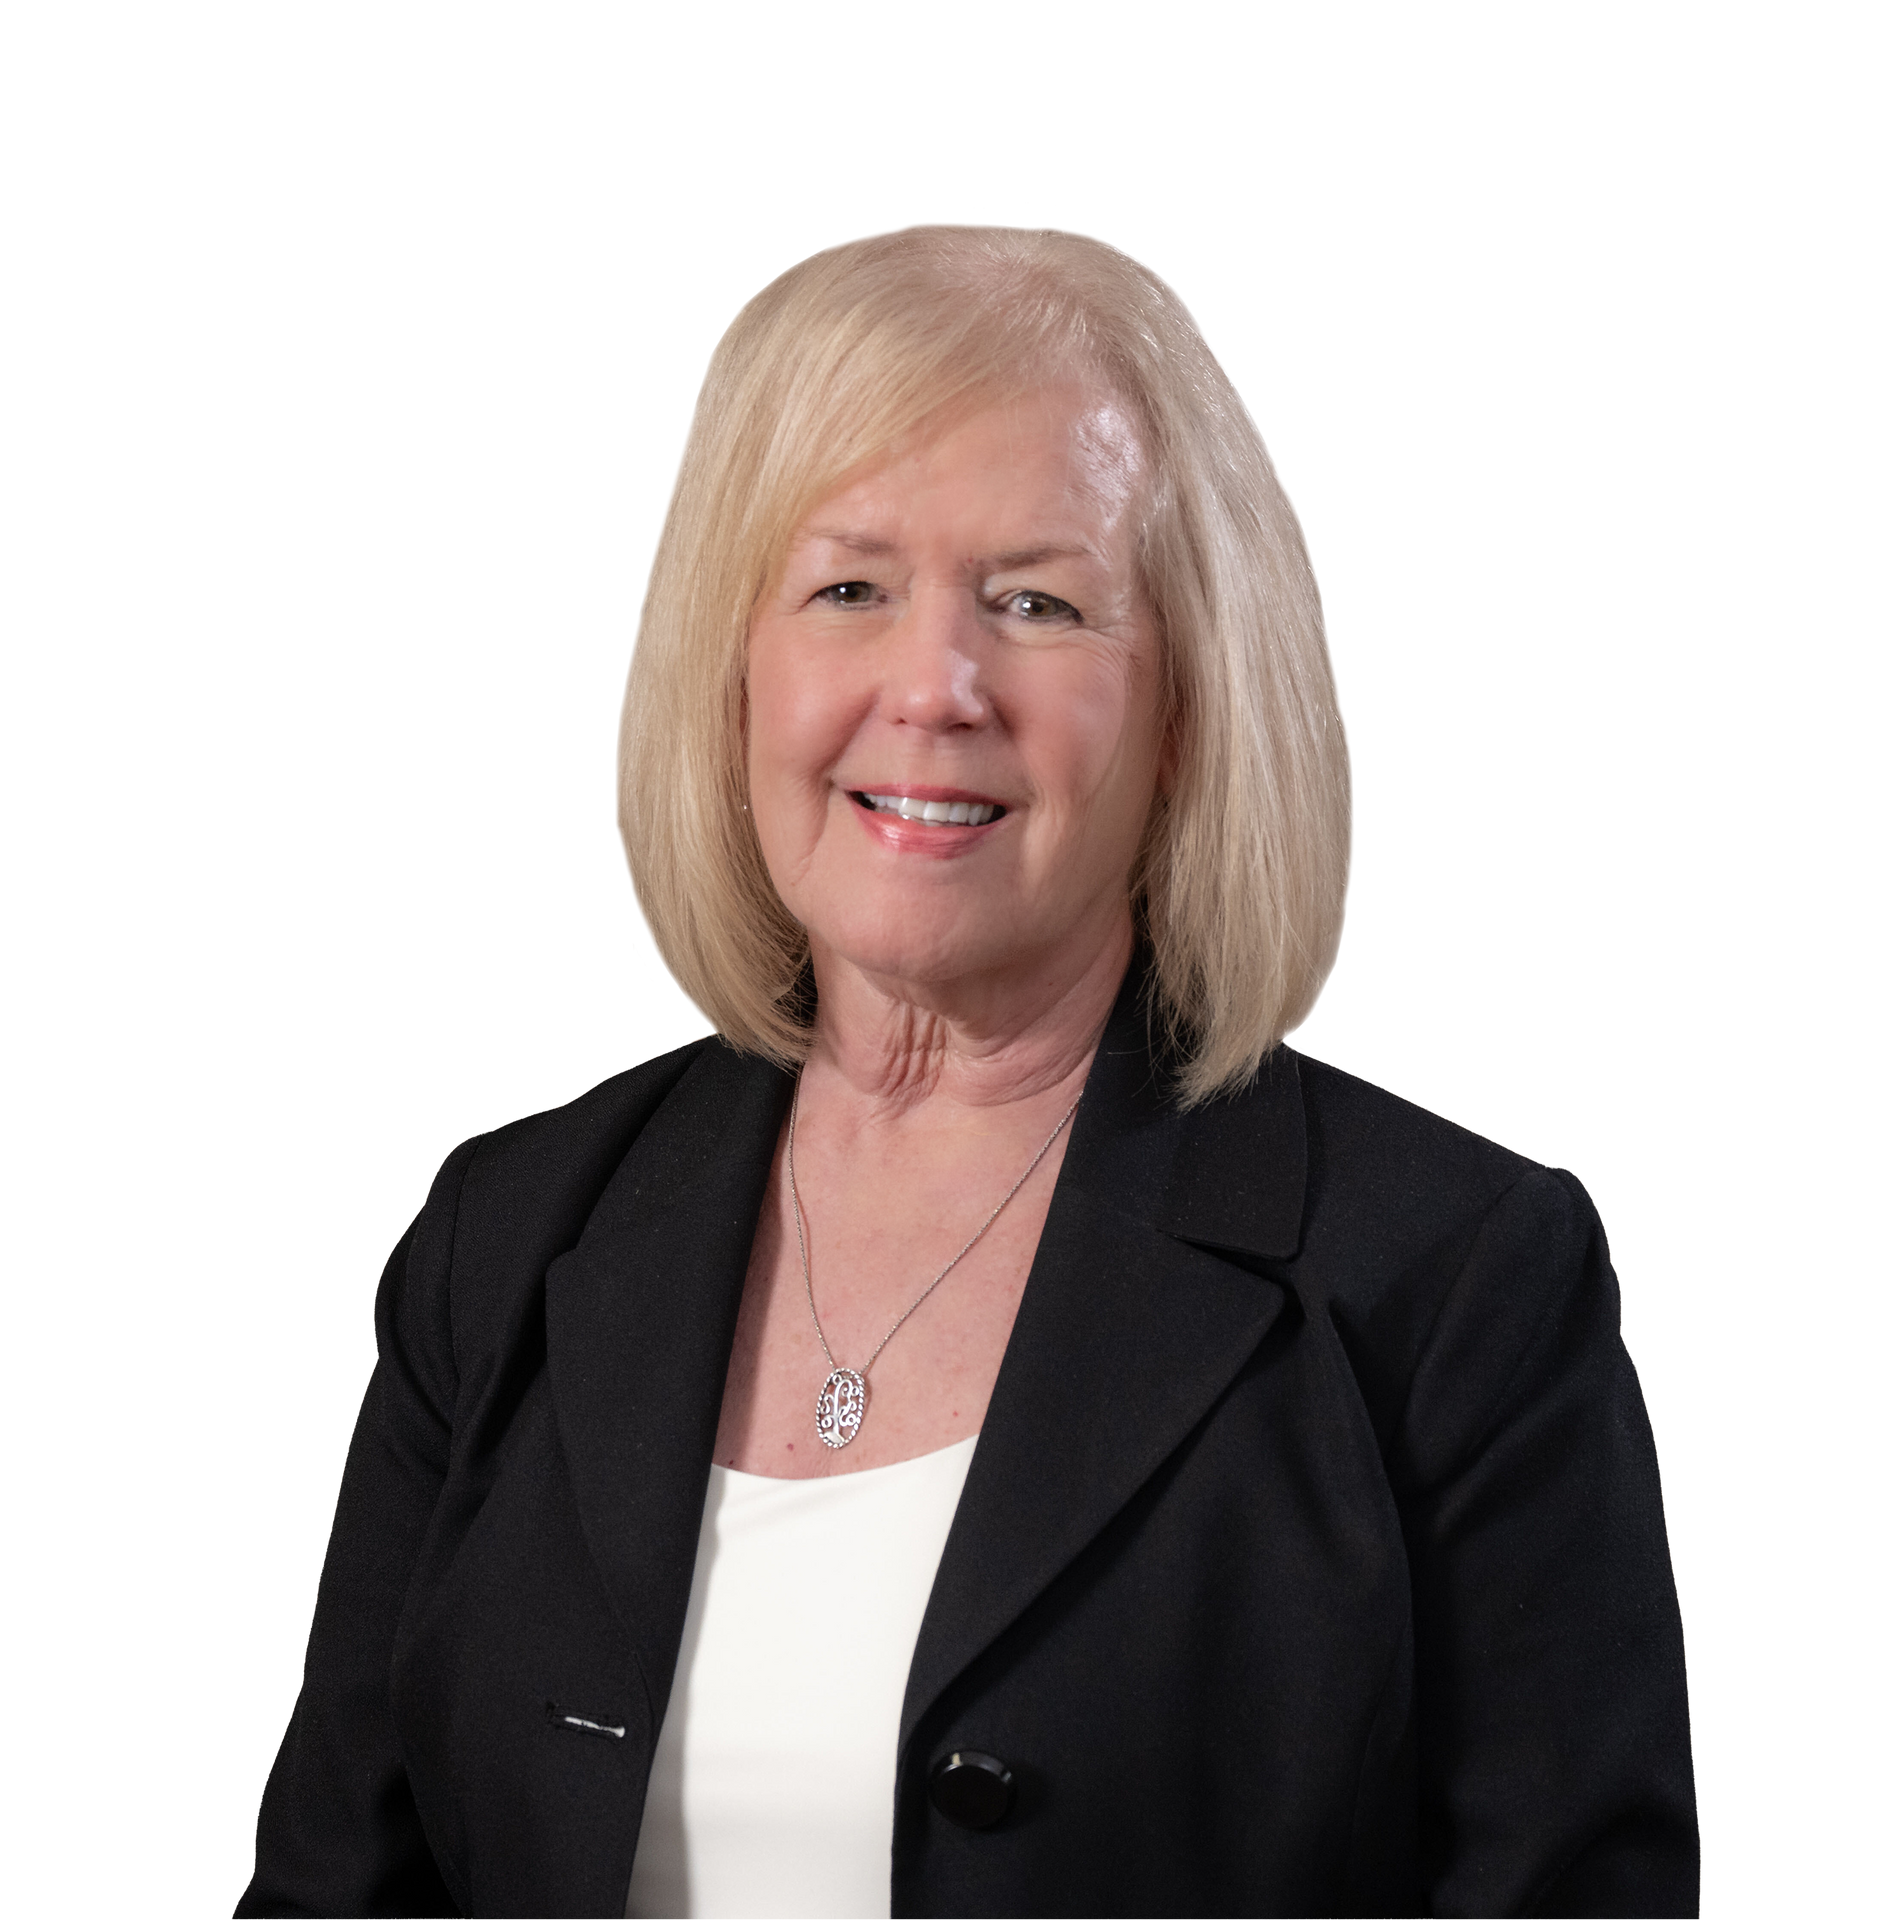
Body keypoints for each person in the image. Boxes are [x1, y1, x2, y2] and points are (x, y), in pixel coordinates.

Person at [237, 220, 1698, 1918]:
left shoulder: (1458, 1280)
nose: (934, 688)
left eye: (1038, 602)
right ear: (732, 668)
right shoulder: (503, 1239)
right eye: (848, 586)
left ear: (1188, 709)